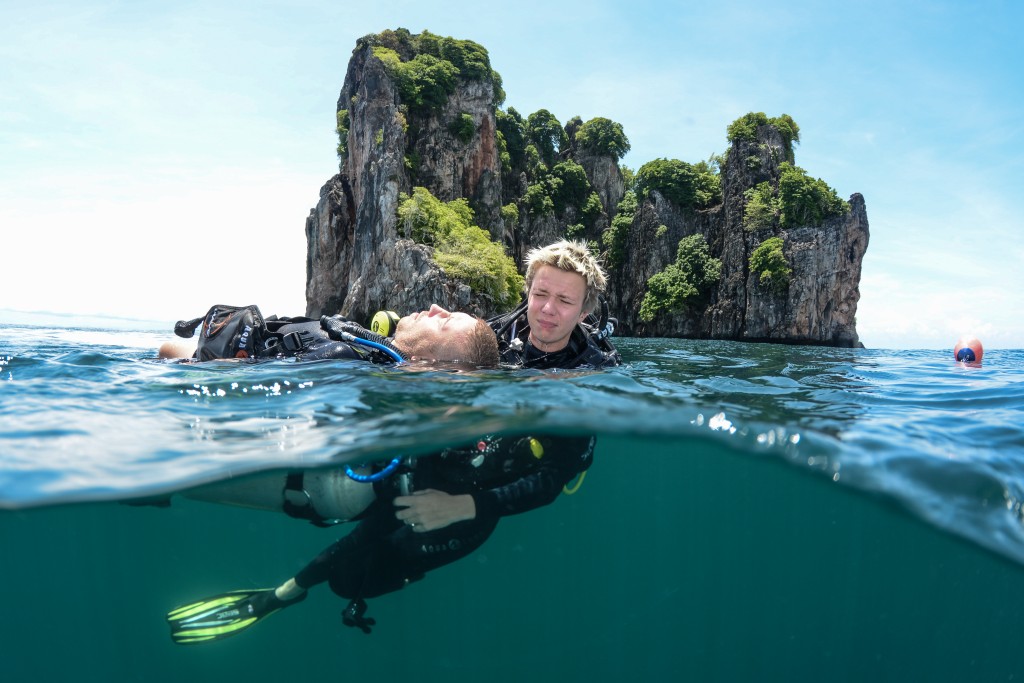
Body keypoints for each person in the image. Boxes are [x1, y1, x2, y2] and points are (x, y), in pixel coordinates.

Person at [488, 239, 620, 369]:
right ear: (528, 295)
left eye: (565, 301)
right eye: (540, 294)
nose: (548, 309)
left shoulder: (596, 365)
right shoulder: (489, 338)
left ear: (583, 314)